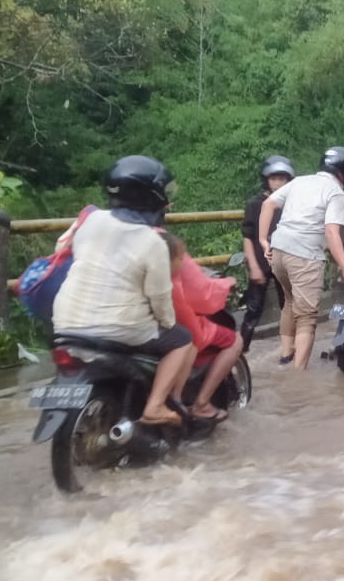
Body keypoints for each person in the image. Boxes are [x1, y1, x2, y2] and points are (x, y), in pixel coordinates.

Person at [53, 156, 196, 426]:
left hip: (65, 323)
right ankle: (154, 406)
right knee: (182, 340)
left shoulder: (90, 220)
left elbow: (61, 251)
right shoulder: (151, 241)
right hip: (120, 328)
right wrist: (167, 323)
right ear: (150, 196)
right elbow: (159, 297)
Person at [258, 146, 344, 371]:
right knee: (307, 317)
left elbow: (268, 204)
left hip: (279, 250)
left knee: (290, 302)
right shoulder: (336, 193)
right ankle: (298, 374)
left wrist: (264, 241)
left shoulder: (300, 181)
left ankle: (286, 355)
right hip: (304, 255)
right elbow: (332, 232)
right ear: (343, 170)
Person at [166, 235, 241, 422]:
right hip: (167, 326)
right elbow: (202, 293)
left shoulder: (109, 237)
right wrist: (225, 284)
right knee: (194, 339)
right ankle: (200, 404)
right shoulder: (166, 245)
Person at [241, 155, 295, 358]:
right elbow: (247, 237)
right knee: (253, 310)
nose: (279, 182)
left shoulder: (292, 203)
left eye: (283, 178)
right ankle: (240, 351)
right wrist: (253, 266)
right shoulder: (255, 204)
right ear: (266, 180)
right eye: (274, 178)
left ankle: (289, 348)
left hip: (285, 263)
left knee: (288, 306)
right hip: (261, 262)